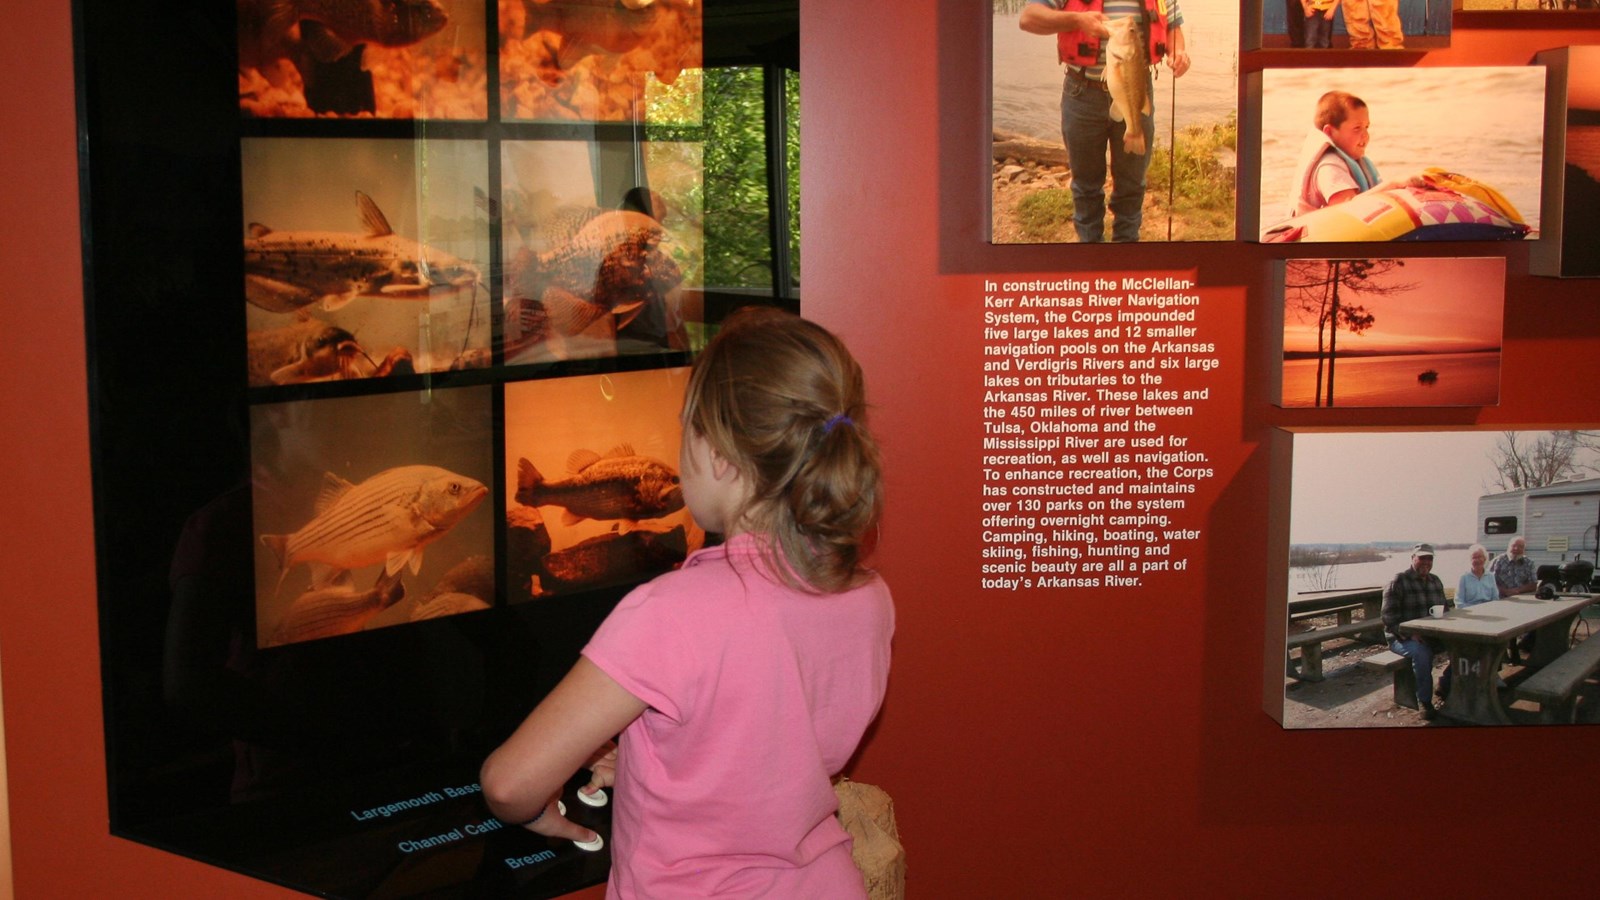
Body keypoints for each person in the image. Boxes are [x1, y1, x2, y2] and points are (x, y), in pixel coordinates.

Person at [481, 307, 895, 897]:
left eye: (684, 428)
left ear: (720, 456)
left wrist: (535, 811)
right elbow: (771, 753)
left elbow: (509, 782)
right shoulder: (869, 596)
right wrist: (655, 764)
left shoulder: (670, 611)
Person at [1019, 0, 1191, 243]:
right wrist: (1077, 20)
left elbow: (1173, 27)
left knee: (1132, 185)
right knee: (1086, 186)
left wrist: (1178, 52)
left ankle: (1124, 252)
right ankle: (1091, 256)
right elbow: (1028, 18)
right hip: (1082, 94)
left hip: (1136, 92)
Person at [1285, 90, 1430, 218]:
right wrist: (1395, 184)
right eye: (1357, 128)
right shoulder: (1328, 167)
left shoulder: (1349, 160)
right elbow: (1347, 207)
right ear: (1330, 132)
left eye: (1367, 127)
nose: (1365, 135)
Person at [1381, 543, 1446, 719]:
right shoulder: (1398, 581)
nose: (1426, 562)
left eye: (1429, 558)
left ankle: (1447, 684)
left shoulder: (1436, 581)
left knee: (1464, 644)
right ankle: (1424, 702)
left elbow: (1445, 610)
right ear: (1413, 558)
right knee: (1422, 654)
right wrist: (1410, 633)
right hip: (1400, 638)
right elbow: (1388, 618)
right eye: (1422, 558)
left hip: (1430, 634)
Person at [1456, 543, 1498, 609]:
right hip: (1472, 612)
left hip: (1489, 610)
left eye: (1480, 557)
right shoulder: (1464, 577)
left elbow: (1495, 599)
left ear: (1485, 559)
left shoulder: (1490, 576)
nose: (1477, 560)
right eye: (1474, 557)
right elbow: (1459, 602)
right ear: (1470, 560)